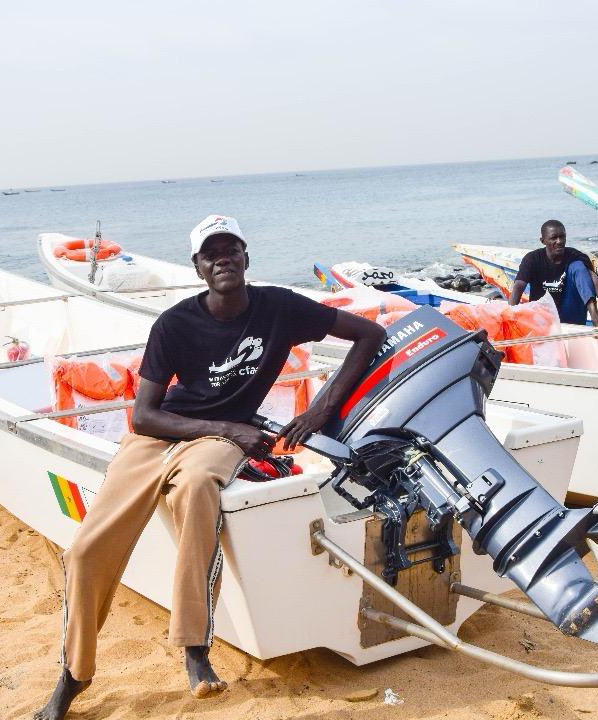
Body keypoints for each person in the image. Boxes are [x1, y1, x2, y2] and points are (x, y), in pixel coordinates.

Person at [33, 215, 386, 719]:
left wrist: (319, 410)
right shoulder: (175, 323)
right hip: (163, 435)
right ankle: (73, 675)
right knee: (88, 549)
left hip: (218, 442)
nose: (223, 258)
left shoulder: (279, 307)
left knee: (198, 487)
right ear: (197, 266)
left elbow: (368, 334)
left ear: (246, 257)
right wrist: (226, 430)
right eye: (210, 253)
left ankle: (195, 648)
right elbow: (145, 415)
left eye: (231, 248)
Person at [509, 220, 598, 327]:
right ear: (543, 241)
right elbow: (519, 286)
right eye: (554, 238)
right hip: (544, 316)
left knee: (578, 266)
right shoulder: (532, 259)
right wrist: (510, 318)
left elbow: (595, 281)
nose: (559, 241)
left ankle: (595, 319)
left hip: (570, 314)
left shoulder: (576, 256)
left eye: (562, 237)